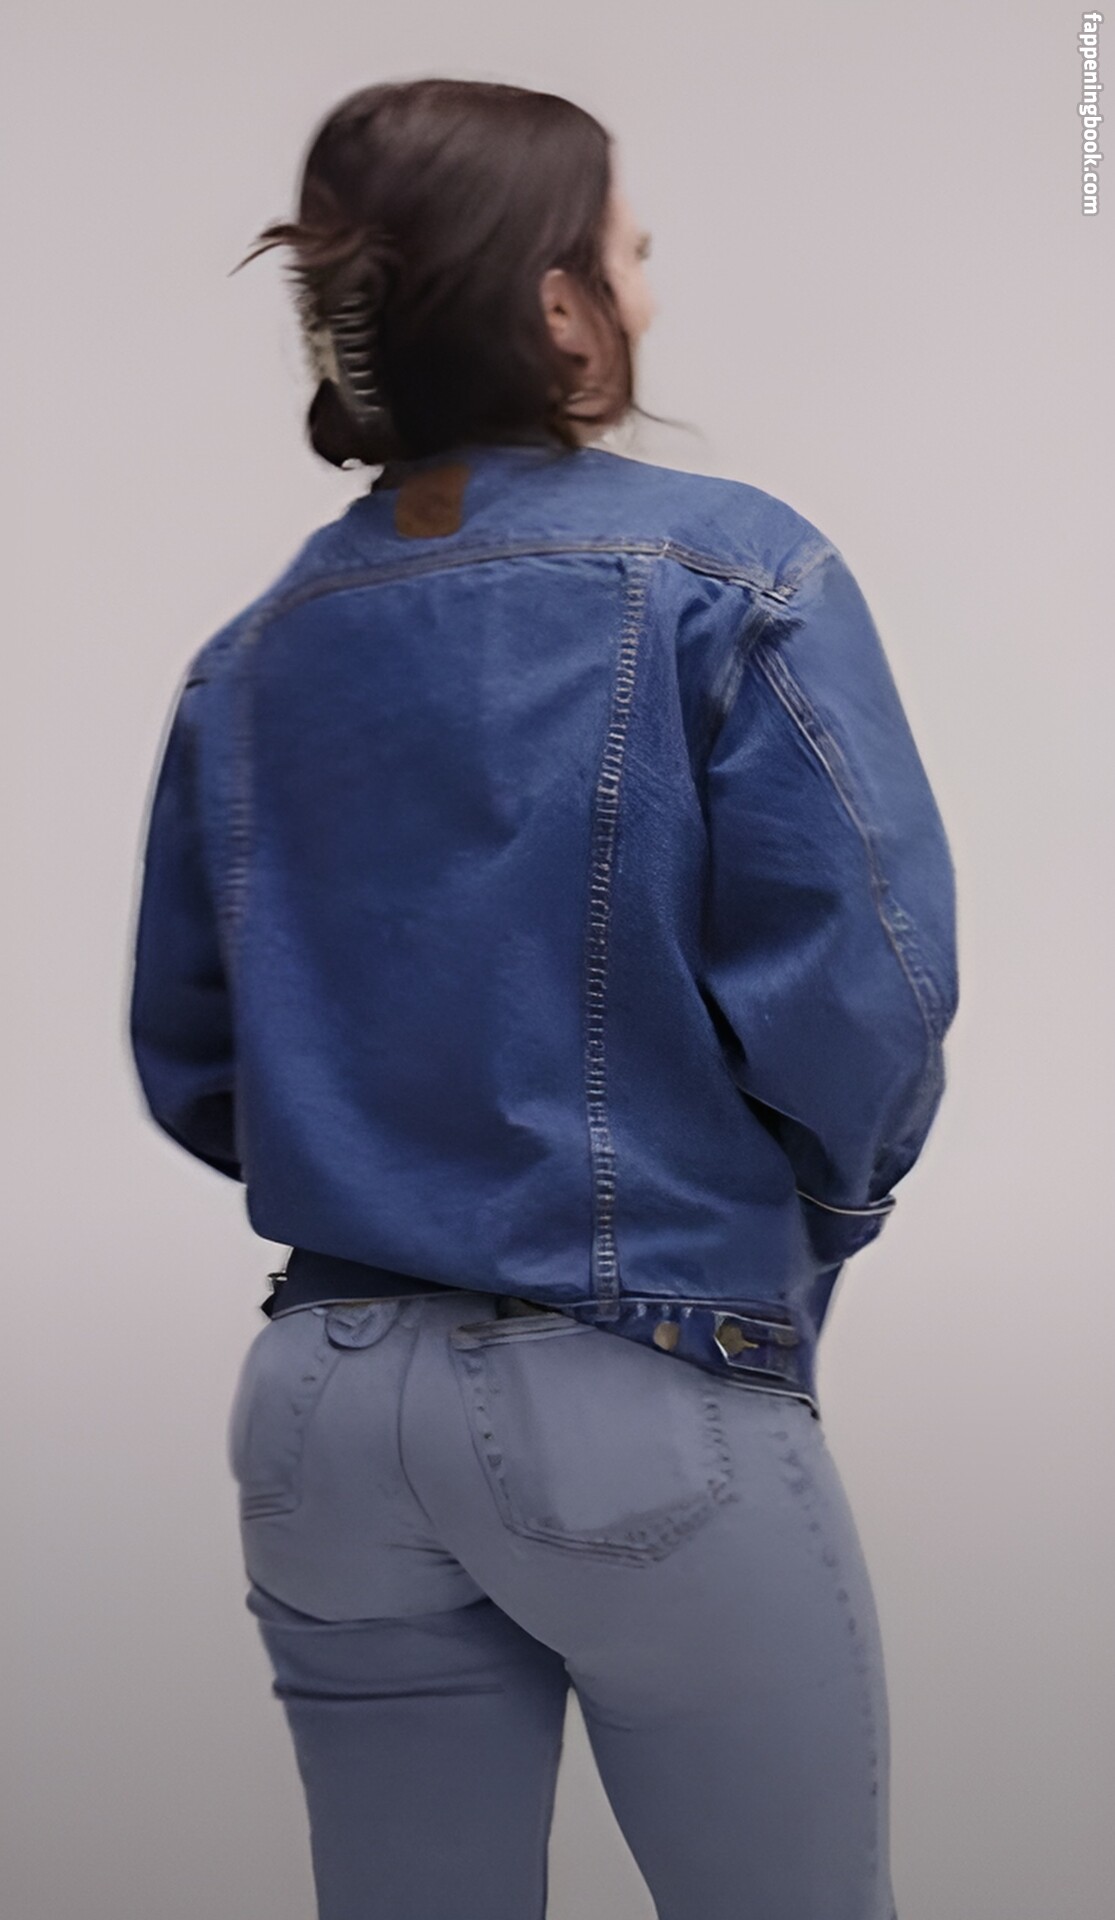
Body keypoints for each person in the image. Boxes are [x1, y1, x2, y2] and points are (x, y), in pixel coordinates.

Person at [127, 76, 957, 1920]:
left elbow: (193, 1061)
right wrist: (799, 1235)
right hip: (642, 1378)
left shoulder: (249, 657)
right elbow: (869, 999)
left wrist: (393, 1172)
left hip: (320, 1407)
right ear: (563, 306)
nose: (650, 287)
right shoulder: (730, 571)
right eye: (631, 252)